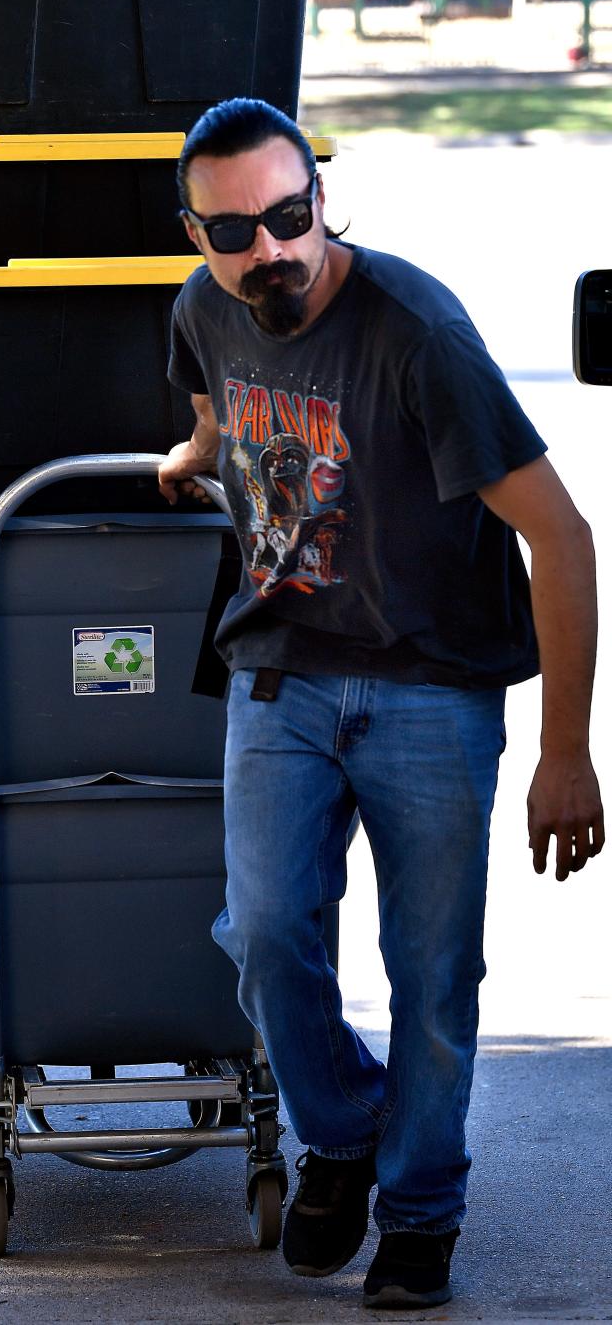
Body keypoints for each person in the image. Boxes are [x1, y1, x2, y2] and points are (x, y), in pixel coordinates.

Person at [157, 98, 604, 1309]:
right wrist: (199, 453)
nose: (271, 252)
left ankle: (419, 1211)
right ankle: (347, 1137)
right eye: (235, 231)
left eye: (291, 217)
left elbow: (561, 538)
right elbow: (212, 400)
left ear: (322, 196)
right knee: (262, 937)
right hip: (281, 670)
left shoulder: (416, 331)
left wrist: (566, 753)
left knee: (432, 972)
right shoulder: (207, 306)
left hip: (430, 690)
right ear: (195, 235)